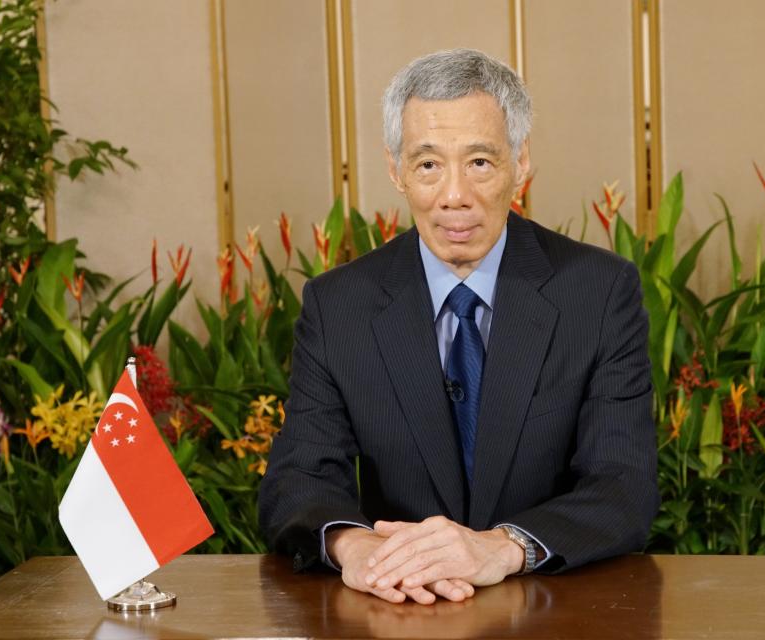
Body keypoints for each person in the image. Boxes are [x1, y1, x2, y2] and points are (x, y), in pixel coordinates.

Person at [259, 48, 659, 605]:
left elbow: (623, 486)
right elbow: (298, 476)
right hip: (398, 605)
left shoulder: (598, 292)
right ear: (396, 170)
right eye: (428, 165)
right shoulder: (338, 305)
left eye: (479, 163)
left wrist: (501, 547)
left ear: (521, 164)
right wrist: (357, 549)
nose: (454, 197)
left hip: (553, 608)